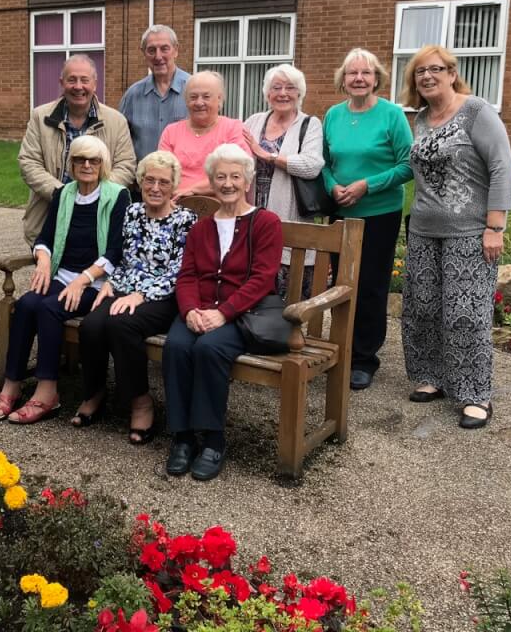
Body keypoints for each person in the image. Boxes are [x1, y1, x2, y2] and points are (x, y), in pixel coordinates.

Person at [400, 45, 511, 430]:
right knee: (424, 307)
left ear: (452, 73)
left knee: (466, 313)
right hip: (423, 230)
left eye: (435, 69)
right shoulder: (420, 118)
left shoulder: (476, 111)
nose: (427, 77)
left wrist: (495, 226)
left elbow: (501, 165)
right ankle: (432, 377)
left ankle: (475, 394)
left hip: (469, 232)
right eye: (419, 72)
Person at [161, 143, 283, 481]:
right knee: (176, 346)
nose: (228, 183)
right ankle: (183, 438)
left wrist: (224, 313)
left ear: (247, 182)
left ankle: (213, 439)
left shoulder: (265, 222)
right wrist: (188, 311)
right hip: (199, 309)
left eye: (235, 176)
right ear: (212, 182)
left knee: (210, 348)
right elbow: (187, 276)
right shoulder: (201, 228)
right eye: (220, 177)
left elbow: (262, 278)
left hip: (243, 313)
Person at [0, 135, 130, 424]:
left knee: (49, 308)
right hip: (63, 275)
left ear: (103, 164)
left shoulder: (118, 195)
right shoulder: (64, 193)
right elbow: (45, 236)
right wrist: (43, 258)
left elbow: (117, 250)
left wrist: (83, 279)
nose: (87, 165)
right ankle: (12, 384)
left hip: (96, 283)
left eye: (94, 160)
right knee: (28, 303)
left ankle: (47, 392)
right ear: (71, 164)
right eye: (80, 159)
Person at [74, 151, 198, 444]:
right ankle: (95, 392)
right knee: (91, 325)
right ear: (140, 182)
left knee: (122, 325)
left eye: (163, 182)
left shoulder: (185, 219)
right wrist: (110, 283)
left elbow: (181, 270)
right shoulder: (132, 213)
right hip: (124, 289)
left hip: (164, 296)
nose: (155, 188)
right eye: (149, 180)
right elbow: (123, 258)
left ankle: (141, 402)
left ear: (174, 186)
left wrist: (141, 295)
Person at [321, 47, 413, 391]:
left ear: (377, 79)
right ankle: (341, 349)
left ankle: (364, 359)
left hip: (378, 212)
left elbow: (408, 165)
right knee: (342, 284)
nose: (358, 78)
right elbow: (325, 162)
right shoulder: (333, 115)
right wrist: (332, 187)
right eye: (351, 73)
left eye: (366, 73)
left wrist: (366, 187)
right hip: (340, 211)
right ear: (343, 80)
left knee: (371, 287)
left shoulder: (391, 115)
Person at [18, 55, 136, 246]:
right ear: (61, 83)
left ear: (95, 84)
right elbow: (28, 163)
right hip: (50, 217)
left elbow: (127, 165)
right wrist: (63, 195)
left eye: (84, 80)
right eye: (71, 80)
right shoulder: (40, 117)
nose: (78, 86)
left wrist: (94, 196)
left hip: (99, 218)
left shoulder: (116, 121)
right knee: (49, 272)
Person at [242, 64, 325, 299]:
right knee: (251, 290)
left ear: (300, 93)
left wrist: (267, 155)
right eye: (276, 87)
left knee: (289, 296)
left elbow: (312, 165)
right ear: (267, 94)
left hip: (289, 218)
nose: (283, 93)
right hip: (252, 217)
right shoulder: (253, 122)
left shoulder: (310, 124)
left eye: (290, 88)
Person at [157, 71, 251, 198]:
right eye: (193, 97)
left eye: (206, 96)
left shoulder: (233, 128)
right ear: (186, 101)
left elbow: (239, 173)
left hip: (223, 206)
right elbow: (161, 172)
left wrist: (193, 190)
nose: (199, 103)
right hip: (176, 205)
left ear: (219, 99)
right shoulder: (171, 132)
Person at [119, 25, 191, 162]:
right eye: (151, 50)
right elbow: (120, 141)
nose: (158, 57)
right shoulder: (132, 95)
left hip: (186, 181)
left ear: (176, 50)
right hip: (142, 180)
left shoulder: (195, 90)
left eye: (164, 49)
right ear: (143, 53)